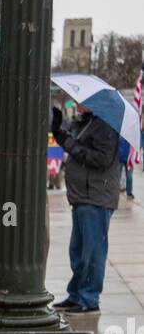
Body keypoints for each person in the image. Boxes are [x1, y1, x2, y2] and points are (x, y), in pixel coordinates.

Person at [52, 102, 121, 314]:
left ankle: (89, 298)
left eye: (80, 100)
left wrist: (70, 143)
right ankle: (76, 294)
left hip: (96, 197)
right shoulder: (87, 122)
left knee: (92, 252)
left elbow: (100, 158)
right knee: (78, 251)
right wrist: (60, 132)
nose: (76, 102)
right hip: (83, 196)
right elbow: (73, 140)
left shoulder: (105, 125)